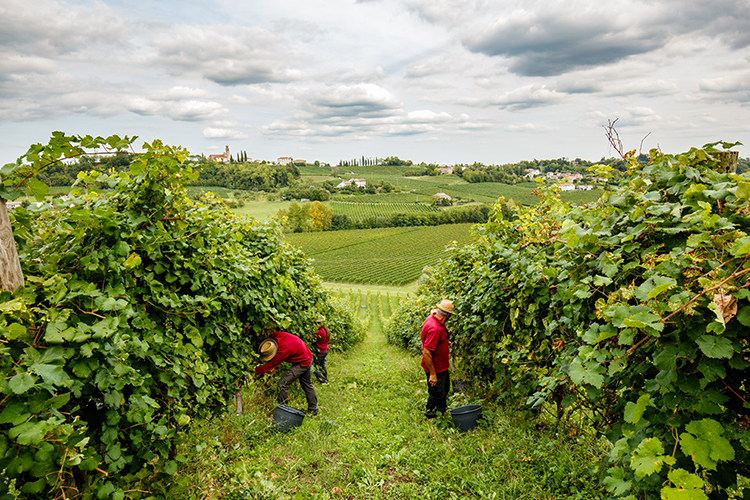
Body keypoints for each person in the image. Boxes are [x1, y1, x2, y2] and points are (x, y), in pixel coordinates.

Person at [256, 330, 319, 416]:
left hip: (303, 362)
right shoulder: (276, 335)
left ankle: (283, 410)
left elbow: (268, 367)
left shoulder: (283, 351)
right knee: (307, 384)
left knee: (282, 383)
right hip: (306, 355)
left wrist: (253, 371)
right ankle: (313, 409)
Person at [420, 299, 454, 419]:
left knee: (444, 388)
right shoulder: (435, 329)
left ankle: (441, 410)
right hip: (435, 367)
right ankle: (430, 414)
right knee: (436, 393)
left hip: (442, 365)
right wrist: (432, 374)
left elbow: (437, 340)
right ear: (448, 315)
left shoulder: (433, 318)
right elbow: (427, 352)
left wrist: (446, 341)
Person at [312, 316, 330, 384]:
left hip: (321, 352)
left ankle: (324, 381)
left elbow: (310, 337)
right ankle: (325, 378)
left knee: (314, 367)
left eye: (318, 323)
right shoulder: (325, 329)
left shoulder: (319, 332)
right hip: (325, 350)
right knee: (322, 365)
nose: (317, 324)